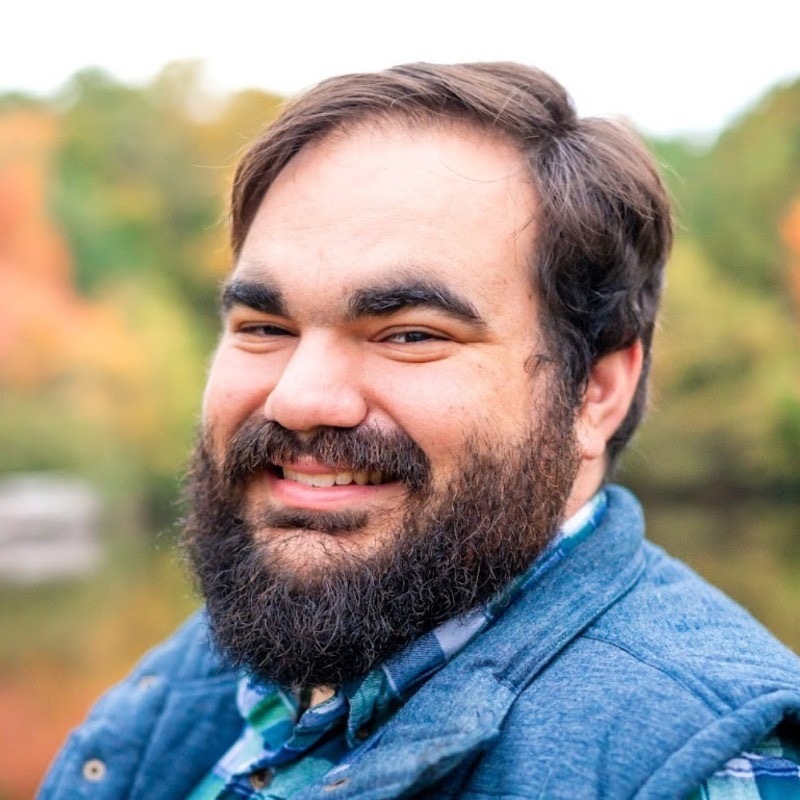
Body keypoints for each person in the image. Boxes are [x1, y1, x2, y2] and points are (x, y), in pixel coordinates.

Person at [39, 62, 800, 800]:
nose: (299, 399)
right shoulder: (217, 681)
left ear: (596, 392)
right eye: (265, 326)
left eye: (408, 334)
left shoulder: (706, 764)